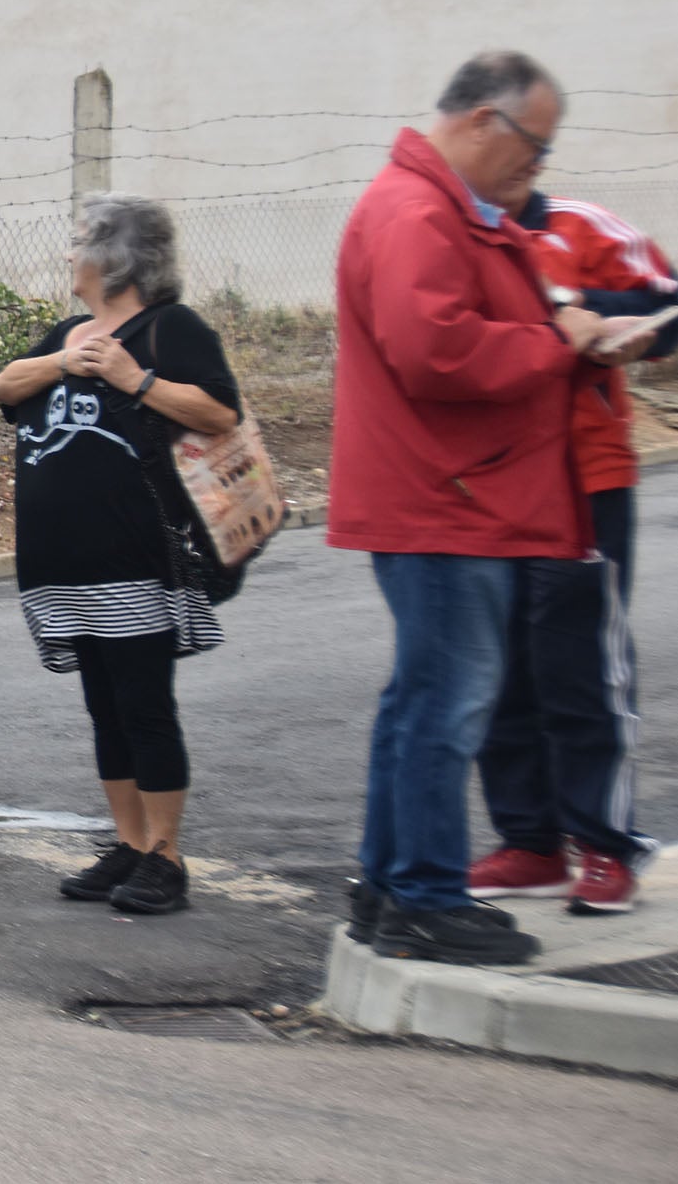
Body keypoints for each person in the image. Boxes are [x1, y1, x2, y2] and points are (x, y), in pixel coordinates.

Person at [330, 51, 647, 965]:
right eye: (532, 147)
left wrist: (566, 337)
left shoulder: (432, 205)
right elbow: (435, 351)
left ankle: (391, 886)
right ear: (480, 121)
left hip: (448, 494)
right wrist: (558, 344)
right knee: (447, 703)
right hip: (445, 498)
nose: (536, 168)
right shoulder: (417, 210)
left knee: (424, 700)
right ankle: (423, 896)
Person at [0, 195, 240, 916]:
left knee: (143, 707)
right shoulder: (68, 332)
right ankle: (128, 844)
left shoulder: (170, 329)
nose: (68, 256)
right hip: (61, 563)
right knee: (103, 707)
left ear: (115, 256)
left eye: (78, 243)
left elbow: (220, 411)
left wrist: (136, 380)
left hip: (134, 559)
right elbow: (3, 386)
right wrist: (64, 362)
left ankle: (165, 855)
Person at [468, 179, 670, 914]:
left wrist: (600, 319)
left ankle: (605, 845)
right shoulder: (450, 234)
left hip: (583, 480)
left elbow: (665, 299)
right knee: (497, 668)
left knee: (582, 666)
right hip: (483, 484)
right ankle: (529, 841)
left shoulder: (581, 227)